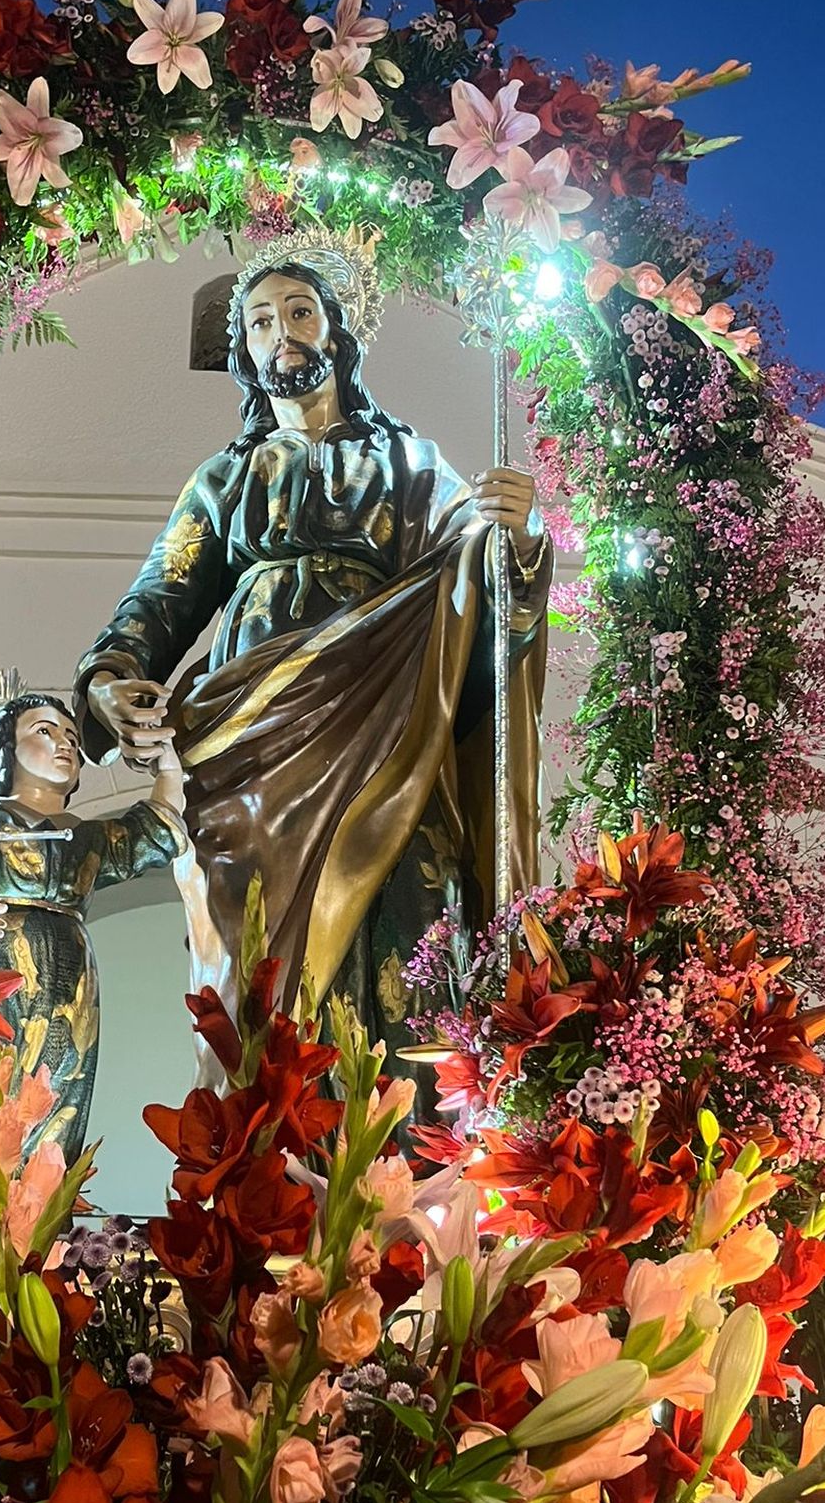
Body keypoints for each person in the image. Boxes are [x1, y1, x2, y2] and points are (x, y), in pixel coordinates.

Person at [74, 237, 552, 1083]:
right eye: (260, 321)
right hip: (248, 743)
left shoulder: (411, 462)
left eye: (300, 311)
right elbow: (159, 601)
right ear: (244, 352)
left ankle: (403, 1180)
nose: (281, 332)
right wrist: (112, 679)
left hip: (392, 735)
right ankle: (262, 1186)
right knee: (251, 972)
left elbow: (476, 599)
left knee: (407, 925)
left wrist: (515, 544)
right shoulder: (226, 478)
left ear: (337, 333)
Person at [0, 685, 185, 1159]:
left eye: (71, 735)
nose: (65, 743)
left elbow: (155, 830)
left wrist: (167, 766)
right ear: (4, 748)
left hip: (69, 983)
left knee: (59, 1089)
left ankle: (45, 1210)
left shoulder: (86, 835)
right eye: (44, 731)